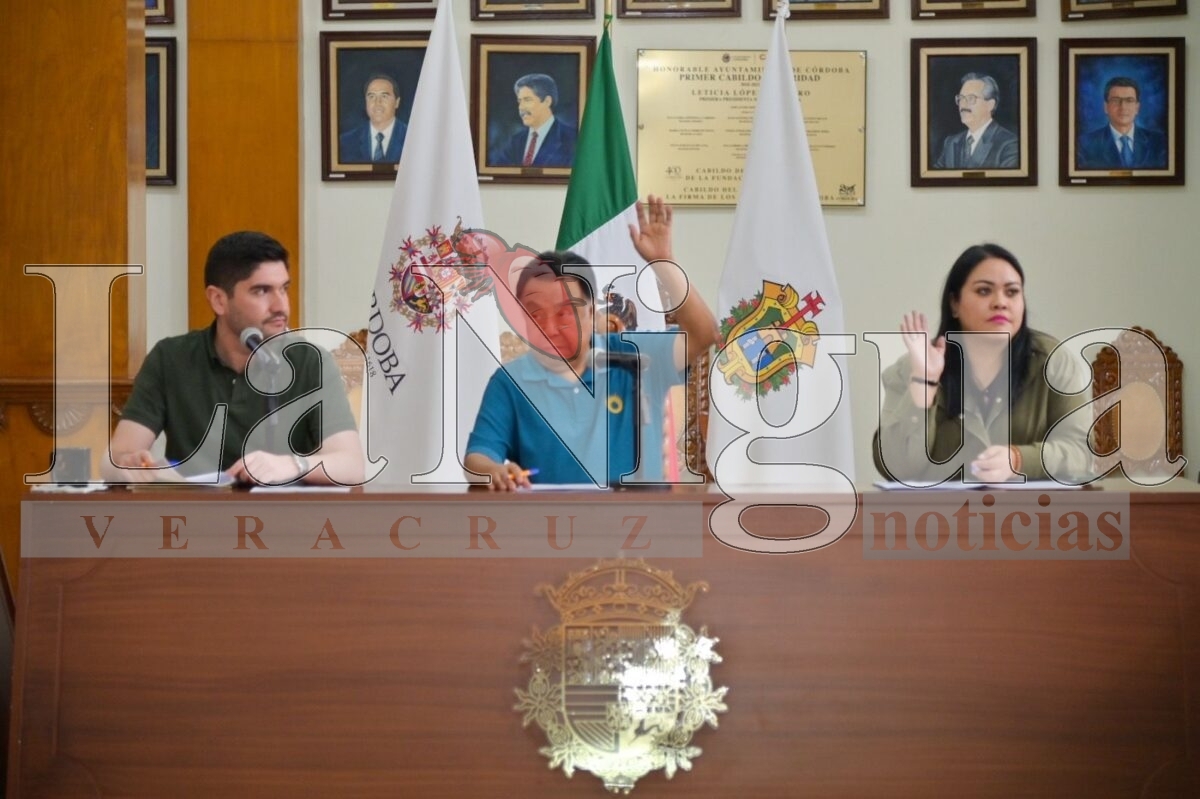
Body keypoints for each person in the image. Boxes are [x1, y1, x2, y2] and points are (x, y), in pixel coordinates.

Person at [464, 196, 719, 489]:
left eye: (564, 313)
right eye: (536, 315)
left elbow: (704, 333)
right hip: (549, 516)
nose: (549, 328)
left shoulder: (634, 357)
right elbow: (477, 458)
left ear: (591, 313)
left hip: (641, 513)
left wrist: (664, 265)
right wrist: (494, 471)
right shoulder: (511, 382)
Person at [104, 231, 366, 485]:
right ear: (218, 300)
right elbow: (114, 459)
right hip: (192, 512)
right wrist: (127, 465)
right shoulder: (170, 358)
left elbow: (351, 465)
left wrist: (293, 465)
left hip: (283, 513)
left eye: (284, 289)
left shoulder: (310, 362)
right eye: (261, 291)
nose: (281, 306)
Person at [873, 244, 1093, 484]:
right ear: (954, 303)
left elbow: (1082, 452)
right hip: (944, 508)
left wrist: (1019, 460)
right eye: (984, 291)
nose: (1000, 302)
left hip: (1036, 507)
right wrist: (924, 382)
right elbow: (897, 468)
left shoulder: (1052, 361)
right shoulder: (914, 367)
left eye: (1012, 292)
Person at [1076, 76, 1168, 170]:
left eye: (1129, 100)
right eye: (1115, 100)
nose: (1123, 107)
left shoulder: (1159, 143)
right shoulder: (1085, 144)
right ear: (1106, 107)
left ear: (1137, 107)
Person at [489, 73, 577, 168]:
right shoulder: (516, 141)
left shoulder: (573, 139)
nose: (521, 107)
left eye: (527, 100)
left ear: (547, 101)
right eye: (519, 101)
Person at [934, 73, 1019, 170]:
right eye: (961, 98)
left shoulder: (1009, 144)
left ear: (990, 105)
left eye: (971, 98)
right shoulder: (951, 142)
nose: (963, 104)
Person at [338, 74, 408, 164]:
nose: (377, 102)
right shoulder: (345, 142)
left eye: (384, 96)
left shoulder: (413, 138)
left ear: (397, 102)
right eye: (371, 96)